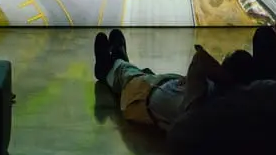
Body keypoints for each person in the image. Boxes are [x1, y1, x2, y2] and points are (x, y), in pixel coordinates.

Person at [94, 29, 257, 132]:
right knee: (143, 74)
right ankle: (118, 60)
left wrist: (226, 78)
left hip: (144, 95)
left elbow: (200, 58)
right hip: (161, 86)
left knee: (128, 76)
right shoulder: (220, 98)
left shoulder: (203, 104)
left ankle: (108, 66)